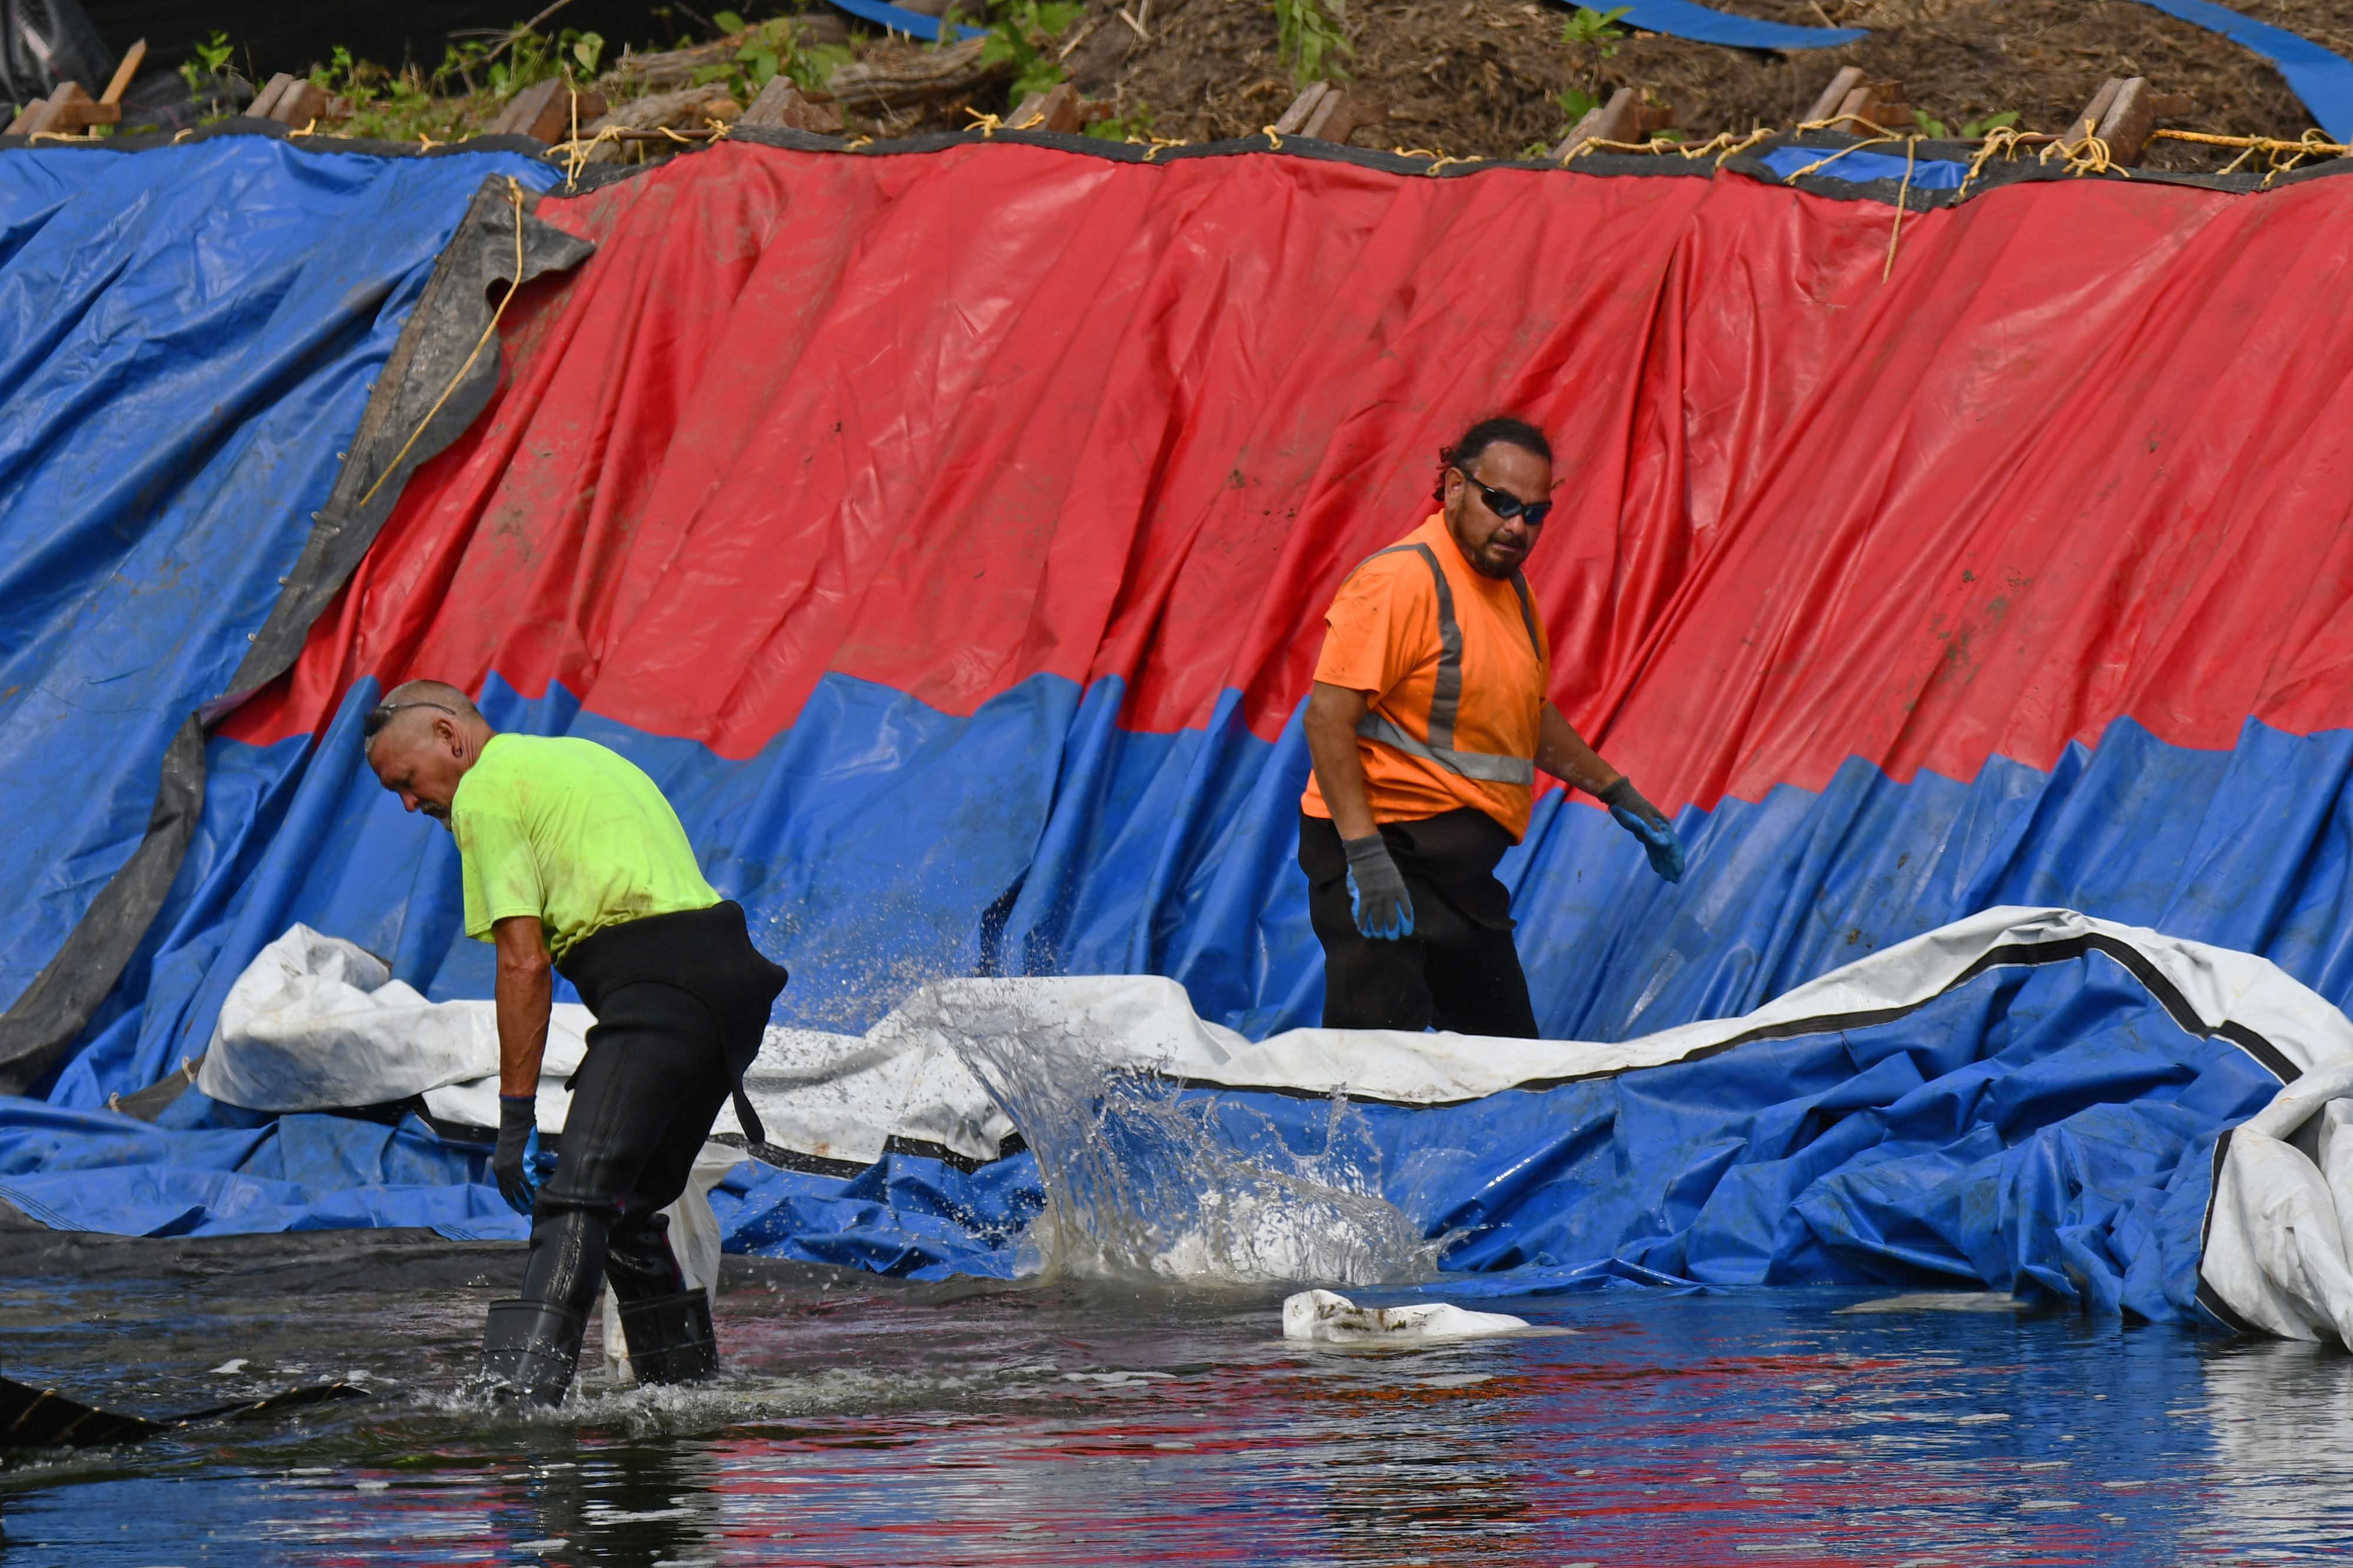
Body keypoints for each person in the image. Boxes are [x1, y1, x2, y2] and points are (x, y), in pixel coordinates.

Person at [363, 680, 787, 1405]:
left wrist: (515, 1117)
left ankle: (517, 1403)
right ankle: (685, 1396)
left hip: (662, 984)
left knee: (574, 1198)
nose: (412, 803)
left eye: (407, 780)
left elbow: (523, 963)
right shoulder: (577, 759)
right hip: (728, 989)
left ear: (450, 736)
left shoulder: (486, 792)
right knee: (623, 1215)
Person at [1298, 416, 1683, 1037]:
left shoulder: (1510, 594)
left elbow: (1524, 713)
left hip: (1460, 873)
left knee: (1506, 1058)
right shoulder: (1401, 581)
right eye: (1500, 502)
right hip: (1386, 849)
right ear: (1453, 486)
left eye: (1534, 512)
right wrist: (1366, 860)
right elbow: (1327, 720)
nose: (1516, 527)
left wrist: (1616, 791)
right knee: (1374, 1058)